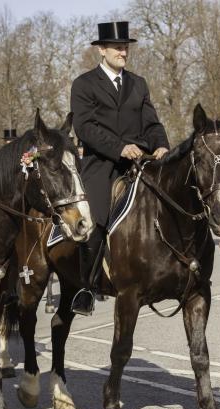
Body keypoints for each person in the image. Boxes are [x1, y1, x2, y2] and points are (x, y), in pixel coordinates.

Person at [70, 21, 169, 315]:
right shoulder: (84, 84)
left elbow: (151, 122)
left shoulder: (139, 84)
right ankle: (86, 287)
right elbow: (84, 127)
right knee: (97, 218)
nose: (123, 52)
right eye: (117, 47)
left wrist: (161, 144)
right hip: (102, 164)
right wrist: (118, 147)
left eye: (125, 47)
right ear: (102, 50)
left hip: (139, 163)